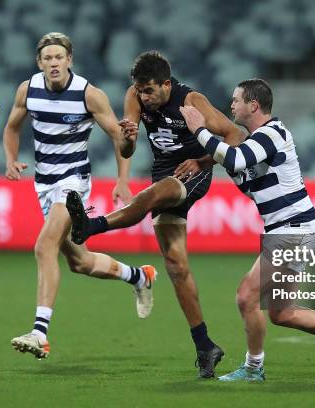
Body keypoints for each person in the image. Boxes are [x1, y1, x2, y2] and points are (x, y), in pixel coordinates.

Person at [179, 79, 315, 382]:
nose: (231, 105)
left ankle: (254, 368)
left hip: (292, 228)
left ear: (253, 105)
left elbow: (235, 158)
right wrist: (207, 163)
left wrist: (199, 130)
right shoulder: (258, 142)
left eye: (236, 100)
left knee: (246, 296)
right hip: (290, 228)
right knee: (281, 312)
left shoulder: (273, 133)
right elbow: (243, 174)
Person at [66, 51, 245, 378]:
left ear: (166, 84)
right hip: (163, 170)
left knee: (153, 196)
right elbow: (126, 150)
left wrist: (203, 162)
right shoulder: (135, 95)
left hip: (194, 172)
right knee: (176, 266)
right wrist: (129, 140)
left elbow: (236, 136)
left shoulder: (191, 101)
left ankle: (92, 225)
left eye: (150, 90)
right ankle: (205, 346)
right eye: (140, 90)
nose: (144, 97)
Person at [3, 33, 157, 360]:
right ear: (40, 63)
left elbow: (120, 138)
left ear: (69, 60)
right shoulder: (27, 90)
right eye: (48, 58)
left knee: (44, 246)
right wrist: (11, 159)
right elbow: (12, 127)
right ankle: (140, 276)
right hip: (43, 184)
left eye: (59, 57)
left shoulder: (89, 95)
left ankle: (39, 333)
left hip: (73, 182)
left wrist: (122, 179)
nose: (54, 63)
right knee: (80, 262)